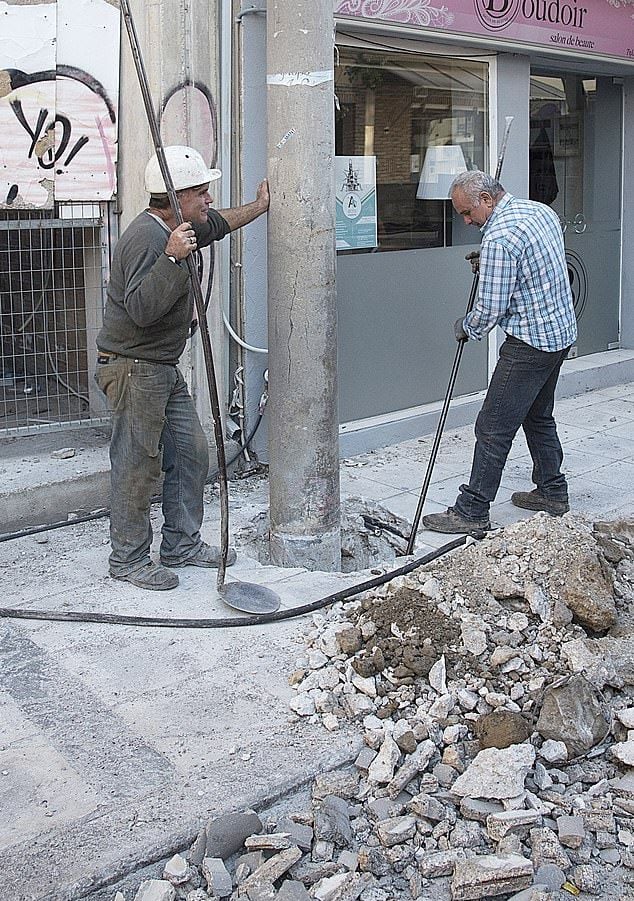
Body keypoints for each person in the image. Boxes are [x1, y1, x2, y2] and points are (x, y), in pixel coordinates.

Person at [95, 145, 269, 590]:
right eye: (201, 192)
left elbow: (221, 223)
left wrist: (261, 205)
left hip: (161, 368)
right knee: (137, 464)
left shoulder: (184, 226)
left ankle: (181, 543)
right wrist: (172, 260)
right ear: (175, 198)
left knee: (191, 453)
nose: (209, 199)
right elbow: (140, 310)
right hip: (134, 369)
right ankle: (129, 561)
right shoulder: (148, 238)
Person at [422, 170, 577, 538]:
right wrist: (493, 266)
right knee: (538, 416)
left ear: (487, 200)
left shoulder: (499, 239)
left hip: (529, 344)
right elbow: (538, 268)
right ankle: (553, 492)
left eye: (467, 212)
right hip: (560, 334)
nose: (465, 221)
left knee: (492, 427)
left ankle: (473, 509)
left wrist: (467, 326)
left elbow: (490, 309)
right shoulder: (539, 212)